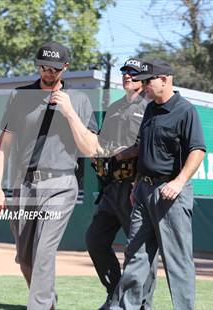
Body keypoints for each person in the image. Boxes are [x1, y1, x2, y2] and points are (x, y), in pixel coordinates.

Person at [0, 41, 100, 310]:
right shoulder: (20, 96)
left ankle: (38, 306)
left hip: (61, 184)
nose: (47, 73)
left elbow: (91, 149)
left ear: (66, 68)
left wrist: (70, 112)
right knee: (25, 257)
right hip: (24, 185)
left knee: (43, 251)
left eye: (54, 68)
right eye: (42, 67)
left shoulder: (80, 100)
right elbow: (4, 144)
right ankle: (47, 302)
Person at [111, 60, 206, 310]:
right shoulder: (150, 109)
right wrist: (134, 182)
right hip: (143, 190)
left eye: (148, 80)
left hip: (171, 194)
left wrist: (179, 181)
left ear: (164, 79)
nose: (144, 85)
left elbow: (197, 150)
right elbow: (144, 148)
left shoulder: (185, 110)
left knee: (177, 261)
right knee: (136, 256)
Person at [86, 58, 157, 310]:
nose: (127, 75)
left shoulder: (150, 106)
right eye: (125, 71)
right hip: (111, 187)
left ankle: (141, 305)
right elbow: (103, 143)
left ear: (143, 79)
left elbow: (150, 147)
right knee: (94, 240)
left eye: (133, 73)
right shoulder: (115, 107)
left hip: (135, 187)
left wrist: (124, 154)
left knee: (139, 251)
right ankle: (115, 293)